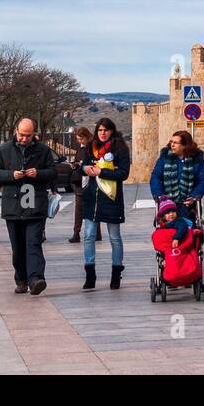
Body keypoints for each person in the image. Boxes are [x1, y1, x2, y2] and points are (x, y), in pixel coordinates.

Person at [0, 118, 56, 295]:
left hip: (36, 206)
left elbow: (52, 172)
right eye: (22, 135)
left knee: (33, 244)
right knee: (18, 247)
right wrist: (11, 175)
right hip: (13, 207)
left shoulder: (43, 151)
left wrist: (38, 173)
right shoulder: (3, 150)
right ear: (15, 131)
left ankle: (36, 279)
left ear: (34, 134)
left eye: (29, 135)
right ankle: (21, 279)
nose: (25, 139)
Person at [79, 117, 130, 291]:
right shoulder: (90, 147)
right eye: (100, 130)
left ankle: (116, 273)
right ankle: (90, 273)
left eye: (106, 130)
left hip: (111, 197)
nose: (103, 133)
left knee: (114, 237)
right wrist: (85, 169)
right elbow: (82, 165)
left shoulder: (120, 148)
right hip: (91, 197)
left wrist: (103, 172)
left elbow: (123, 173)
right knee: (88, 235)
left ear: (111, 131)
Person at [150, 130, 204, 220]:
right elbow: (155, 176)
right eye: (171, 142)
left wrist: (194, 196)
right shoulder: (165, 157)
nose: (172, 145)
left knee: (189, 228)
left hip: (188, 204)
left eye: (175, 143)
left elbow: (202, 180)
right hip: (167, 204)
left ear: (185, 145)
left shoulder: (196, 159)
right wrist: (159, 194)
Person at [68, 127, 102, 245]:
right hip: (80, 183)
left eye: (81, 139)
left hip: (91, 182)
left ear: (87, 137)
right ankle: (77, 233)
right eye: (78, 139)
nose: (80, 141)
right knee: (79, 209)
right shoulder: (81, 149)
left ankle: (96, 234)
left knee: (93, 208)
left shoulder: (94, 148)